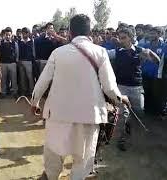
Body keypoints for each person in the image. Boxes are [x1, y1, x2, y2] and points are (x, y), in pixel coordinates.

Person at [32, 14, 130, 180]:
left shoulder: (57, 53)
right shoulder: (100, 52)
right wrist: (121, 98)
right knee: (82, 160)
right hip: (89, 115)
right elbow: (109, 87)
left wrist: (34, 103)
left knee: (54, 157)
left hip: (57, 114)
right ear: (89, 32)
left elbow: (41, 83)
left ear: (70, 32)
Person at [108, 27, 160, 151]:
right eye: (120, 38)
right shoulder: (116, 52)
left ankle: (130, 132)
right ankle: (121, 139)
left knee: (139, 112)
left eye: (124, 38)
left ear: (131, 38)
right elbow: (102, 53)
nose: (121, 40)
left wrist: (150, 53)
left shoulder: (140, 51)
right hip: (121, 88)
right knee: (122, 115)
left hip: (136, 87)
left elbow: (157, 61)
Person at [0, 27, 19, 97]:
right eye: (6, 35)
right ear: (4, 35)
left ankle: (14, 92)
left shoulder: (14, 43)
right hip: (3, 63)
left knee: (14, 79)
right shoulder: (0, 43)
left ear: (11, 35)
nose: (8, 36)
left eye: (9, 35)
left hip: (12, 64)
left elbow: (17, 53)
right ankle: (3, 92)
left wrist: (16, 62)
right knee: (3, 79)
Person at [18, 27, 35, 96]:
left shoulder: (31, 41)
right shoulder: (19, 41)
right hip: (21, 61)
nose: (25, 34)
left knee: (30, 77)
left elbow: (33, 52)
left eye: (26, 33)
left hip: (29, 62)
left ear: (28, 33)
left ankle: (31, 91)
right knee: (22, 77)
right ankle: (24, 91)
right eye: (23, 33)